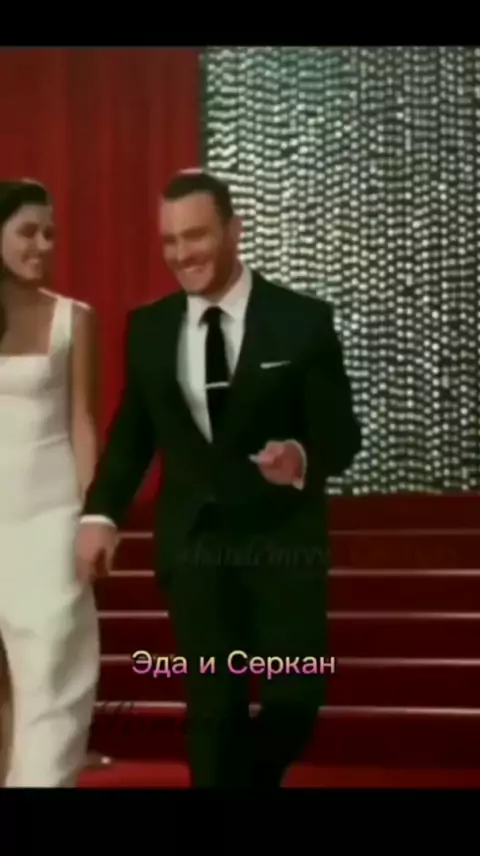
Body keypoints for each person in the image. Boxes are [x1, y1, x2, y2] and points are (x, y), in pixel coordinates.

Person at [77, 170, 362, 788]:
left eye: (197, 236)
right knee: (214, 706)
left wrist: (301, 455)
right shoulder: (151, 328)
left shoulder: (301, 320)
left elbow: (342, 436)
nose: (182, 254)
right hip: (196, 546)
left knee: (295, 700)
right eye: (170, 240)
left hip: (284, 544)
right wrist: (100, 514)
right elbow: (132, 438)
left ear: (234, 230)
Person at [0, 179, 108, 786]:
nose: (42, 244)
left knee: (52, 675)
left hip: (50, 523)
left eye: (49, 234)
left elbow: (82, 423)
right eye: (27, 232)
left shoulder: (75, 318)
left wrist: (92, 518)